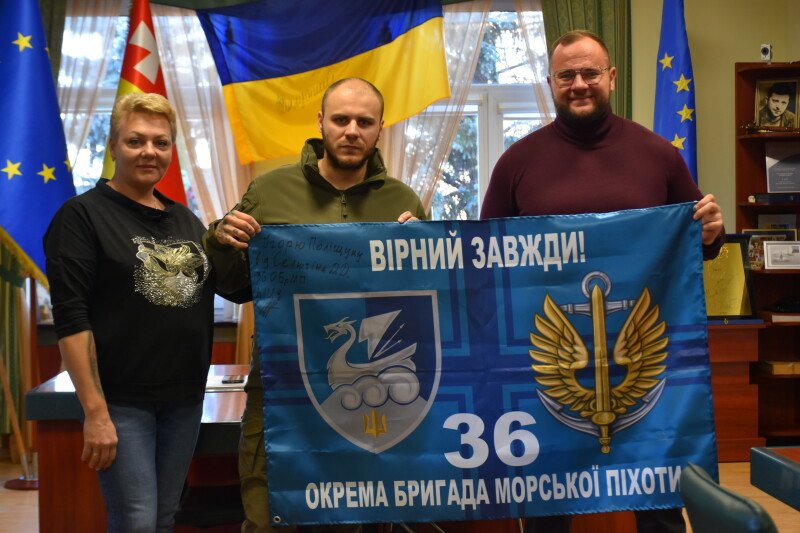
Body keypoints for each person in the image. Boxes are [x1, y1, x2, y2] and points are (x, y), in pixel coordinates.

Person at [480, 30, 724, 533]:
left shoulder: (659, 154)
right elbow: (483, 258)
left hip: (646, 364)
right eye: (567, 75)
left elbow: (697, 238)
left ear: (611, 77)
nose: (579, 84)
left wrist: (712, 232)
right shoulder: (516, 163)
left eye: (590, 72)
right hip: (546, 365)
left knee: (658, 503)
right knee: (547, 506)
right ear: (551, 82)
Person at [203, 77, 428, 532]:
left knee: (359, 520)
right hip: (282, 388)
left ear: (380, 128)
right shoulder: (269, 192)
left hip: (370, 395)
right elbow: (235, 287)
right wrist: (221, 240)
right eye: (341, 119)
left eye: (364, 122)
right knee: (268, 515)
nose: (352, 131)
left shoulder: (403, 201)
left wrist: (423, 250)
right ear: (321, 122)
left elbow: (423, 307)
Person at [44, 93, 217, 532]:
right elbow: (71, 319)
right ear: (113, 146)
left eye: (161, 142)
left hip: (184, 398)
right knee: (137, 519)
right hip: (120, 401)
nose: (149, 152)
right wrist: (94, 411)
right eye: (135, 141)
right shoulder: (81, 217)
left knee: (163, 517)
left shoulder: (186, 220)